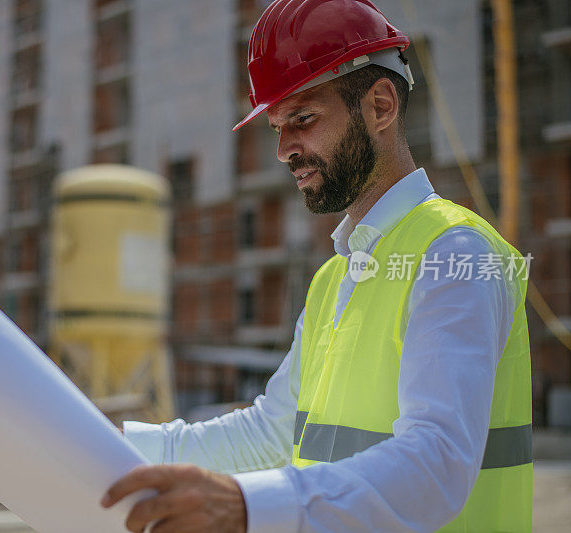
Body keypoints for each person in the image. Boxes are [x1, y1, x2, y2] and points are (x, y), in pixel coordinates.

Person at [100, 1, 532, 531]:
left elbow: (437, 463)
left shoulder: (456, 255)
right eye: (277, 127)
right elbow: (273, 432)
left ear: (379, 107)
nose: (284, 150)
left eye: (302, 118)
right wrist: (121, 444)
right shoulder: (336, 277)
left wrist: (247, 507)